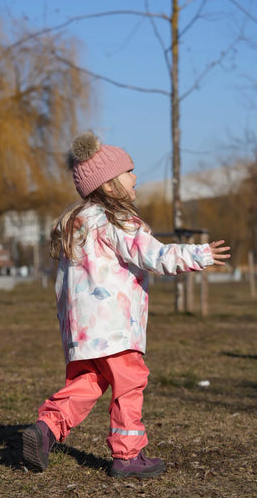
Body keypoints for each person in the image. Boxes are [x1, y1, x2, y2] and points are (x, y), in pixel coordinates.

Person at [22, 132, 230, 478]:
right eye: (129, 171)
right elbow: (155, 256)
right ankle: (128, 455)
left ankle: (45, 429)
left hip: (80, 332)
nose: (135, 178)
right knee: (129, 383)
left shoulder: (73, 224)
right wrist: (200, 254)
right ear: (109, 183)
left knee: (87, 383)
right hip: (115, 328)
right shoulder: (118, 221)